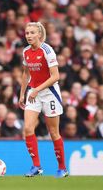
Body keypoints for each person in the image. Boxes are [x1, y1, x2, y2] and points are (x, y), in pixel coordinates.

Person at [19, 22, 68, 178]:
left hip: (49, 93)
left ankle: (62, 168)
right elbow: (26, 74)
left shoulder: (47, 50)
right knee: (27, 128)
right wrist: (22, 94)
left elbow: (55, 76)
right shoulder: (26, 51)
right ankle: (36, 166)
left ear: (39, 34)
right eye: (27, 33)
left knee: (53, 132)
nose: (29, 36)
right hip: (33, 93)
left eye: (32, 33)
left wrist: (36, 90)